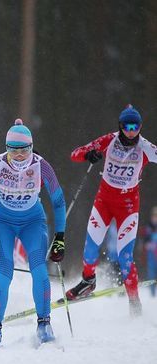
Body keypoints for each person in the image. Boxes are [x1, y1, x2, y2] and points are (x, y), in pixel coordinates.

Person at [0, 119, 66, 347]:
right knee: (4, 274)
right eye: (13, 150)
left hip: (32, 221)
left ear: (32, 147)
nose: (19, 155)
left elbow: (58, 200)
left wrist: (60, 237)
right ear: (6, 149)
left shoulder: (41, 166)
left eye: (24, 150)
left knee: (40, 271)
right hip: (2, 221)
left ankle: (44, 323)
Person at [66, 105, 157, 316]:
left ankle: (135, 304)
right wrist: (90, 154)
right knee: (90, 249)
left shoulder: (145, 147)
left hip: (128, 207)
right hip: (104, 203)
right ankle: (88, 281)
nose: (131, 131)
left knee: (125, 257)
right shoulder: (109, 140)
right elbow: (74, 154)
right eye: (127, 126)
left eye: (135, 126)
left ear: (140, 127)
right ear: (120, 126)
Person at [142, 207, 157, 297]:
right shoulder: (148, 227)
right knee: (151, 273)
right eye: (154, 216)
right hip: (151, 254)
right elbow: (145, 240)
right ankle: (152, 294)